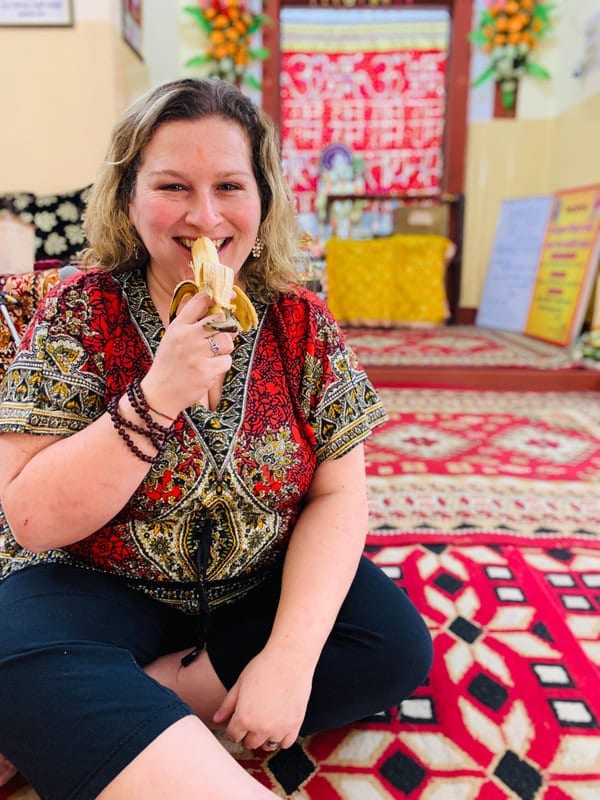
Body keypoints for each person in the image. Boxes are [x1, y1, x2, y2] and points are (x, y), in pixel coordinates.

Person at [0, 77, 433, 800]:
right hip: (96, 586)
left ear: (263, 197)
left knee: (388, 643)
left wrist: (291, 657)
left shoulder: (300, 322)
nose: (206, 217)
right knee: (13, 650)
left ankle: (92, 714)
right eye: (173, 185)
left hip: (251, 588)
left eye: (230, 185)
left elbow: (339, 491)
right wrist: (158, 393)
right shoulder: (82, 311)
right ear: (128, 197)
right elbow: (33, 519)